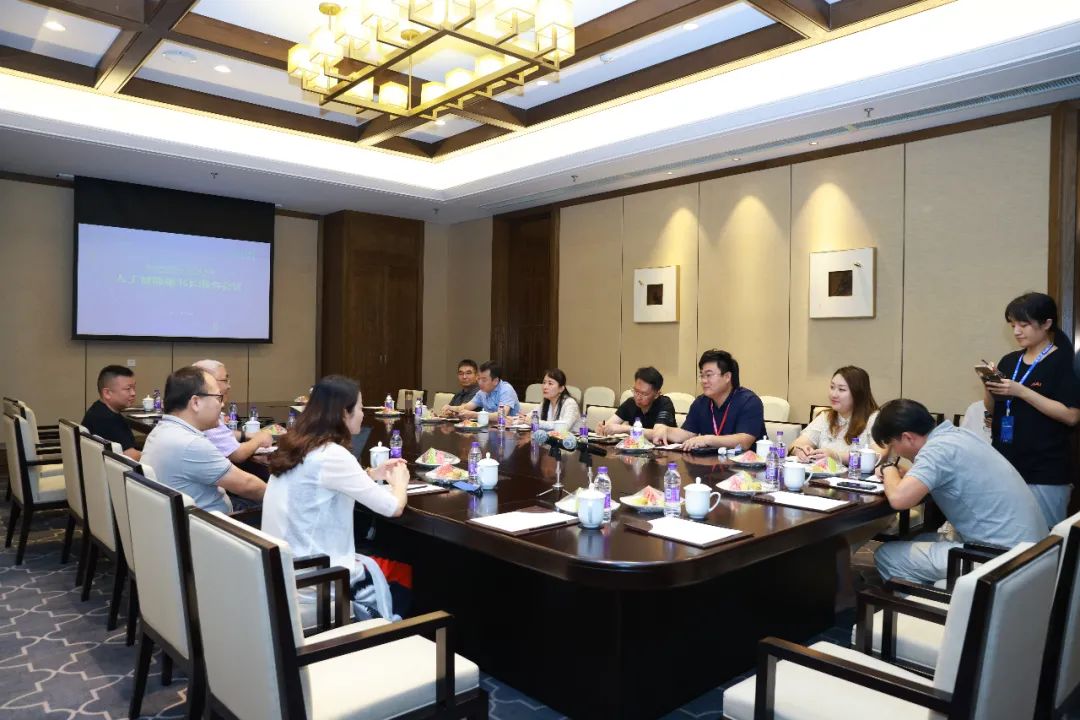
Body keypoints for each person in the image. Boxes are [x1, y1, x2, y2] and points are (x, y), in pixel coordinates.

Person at [262, 375, 412, 620]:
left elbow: (320, 482)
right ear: (344, 413)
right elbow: (393, 507)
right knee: (403, 570)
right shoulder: (333, 454)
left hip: (287, 572)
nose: (363, 415)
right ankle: (386, 633)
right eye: (360, 408)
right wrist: (400, 482)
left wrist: (371, 474)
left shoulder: (296, 445)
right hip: (319, 582)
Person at [871, 399, 1046, 585]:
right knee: (918, 539)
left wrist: (888, 468)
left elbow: (899, 499)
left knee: (886, 555)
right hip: (1032, 550)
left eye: (892, 445)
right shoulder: (958, 435)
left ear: (907, 437)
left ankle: (929, 600)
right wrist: (908, 477)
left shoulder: (937, 450)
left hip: (1001, 558)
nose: (896, 452)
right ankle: (943, 591)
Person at [983, 292, 1080, 527]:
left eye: (1024, 325)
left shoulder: (1064, 361)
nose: (1016, 331)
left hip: (1045, 470)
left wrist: (1022, 391)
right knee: (1008, 535)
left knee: (1043, 539)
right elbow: (994, 409)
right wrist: (989, 387)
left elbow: (1071, 416)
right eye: (1012, 325)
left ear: (1046, 323)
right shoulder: (1009, 361)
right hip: (1005, 464)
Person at [141, 366, 265, 512]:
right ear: (196, 402)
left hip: (181, 516)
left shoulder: (161, 430)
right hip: (211, 522)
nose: (222, 404)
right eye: (218, 397)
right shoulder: (191, 444)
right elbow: (247, 485)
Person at [649, 350, 765, 451]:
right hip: (713, 465)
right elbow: (687, 433)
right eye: (702, 375)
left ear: (727, 377)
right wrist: (666, 430)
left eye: (709, 375)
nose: (704, 381)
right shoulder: (701, 402)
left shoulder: (749, 401)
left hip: (747, 467)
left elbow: (744, 441)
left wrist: (707, 439)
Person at [791, 366, 881, 464]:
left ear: (858, 393)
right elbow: (796, 445)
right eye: (832, 387)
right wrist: (800, 451)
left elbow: (879, 456)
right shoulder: (825, 417)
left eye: (841, 389)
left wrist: (836, 456)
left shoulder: (874, 419)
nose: (833, 395)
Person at [191, 359, 273, 464]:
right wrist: (259, 440)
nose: (229, 386)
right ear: (208, 381)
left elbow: (221, 434)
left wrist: (247, 435)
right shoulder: (204, 414)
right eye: (225, 380)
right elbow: (237, 454)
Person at [82, 365, 142, 460]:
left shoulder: (97, 409)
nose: (133, 393)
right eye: (128, 389)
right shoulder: (109, 420)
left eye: (134, 388)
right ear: (107, 393)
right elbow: (130, 456)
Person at [599, 366, 677, 435]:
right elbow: (610, 423)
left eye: (644, 394)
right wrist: (603, 427)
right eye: (636, 391)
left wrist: (625, 429)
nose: (638, 397)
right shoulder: (630, 402)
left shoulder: (665, 404)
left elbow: (657, 434)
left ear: (657, 394)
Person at [445, 361, 520, 418]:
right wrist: (451, 408)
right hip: (490, 428)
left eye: (484, 380)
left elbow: (501, 415)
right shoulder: (482, 392)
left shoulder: (506, 389)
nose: (480, 383)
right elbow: (466, 407)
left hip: (510, 430)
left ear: (495, 381)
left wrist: (475, 414)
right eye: (479, 379)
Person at [515, 369, 581, 431]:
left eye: (550, 383)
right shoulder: (546, 402)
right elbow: (530, 416)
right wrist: (516, 420)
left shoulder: (570, 403)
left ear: (561, 388)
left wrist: (536, 422)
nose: (545, 387)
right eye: (544, 382)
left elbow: (564, 427)